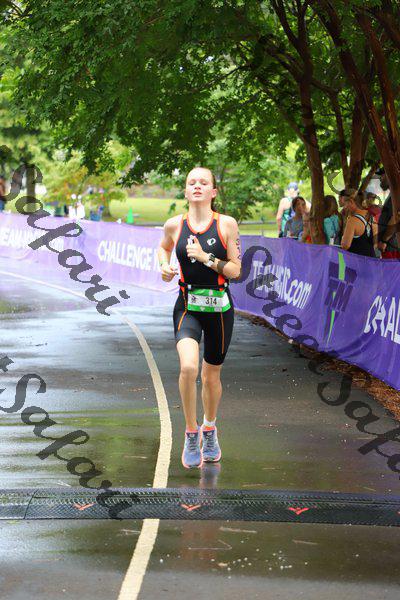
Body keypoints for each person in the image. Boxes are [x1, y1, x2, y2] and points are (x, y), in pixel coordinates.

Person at [158, 167, 241, 469]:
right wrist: (164, 267)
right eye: (191, 182)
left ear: (213, 192)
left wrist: (206, 258)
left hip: (219, 310)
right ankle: (191, 432)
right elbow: (164, 248)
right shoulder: (174, 225)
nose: (197, 186)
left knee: (210, 376)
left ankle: (209, 428)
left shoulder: (226, 224)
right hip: (187, 306)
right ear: (185, 191)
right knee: (189, 367)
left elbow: (236, 270)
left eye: (203, 183)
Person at [341, 190, 377, 257]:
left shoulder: (352, 221)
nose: (344, 207)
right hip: (371, 260)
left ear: (351, 202)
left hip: (356, 261)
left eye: (345, 204)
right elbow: (375, 242)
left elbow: (345, 245)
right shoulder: (371, 217)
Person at [377, 168, 400, 259]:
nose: (380, 178)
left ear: (390, 175)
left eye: (382, 175)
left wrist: (384, 240)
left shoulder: (397, 194)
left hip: (392, 248)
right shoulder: (393, 194)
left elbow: (396, 218)